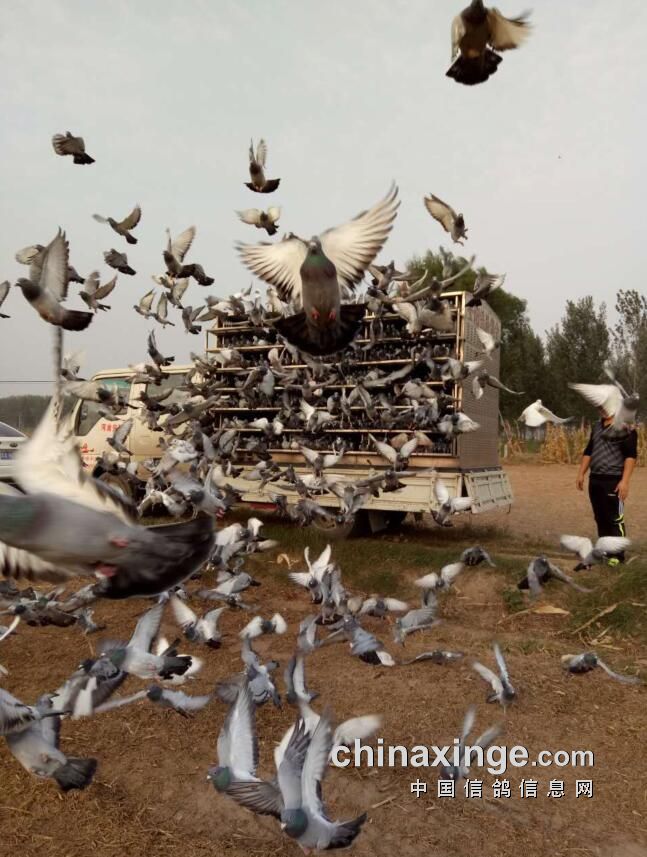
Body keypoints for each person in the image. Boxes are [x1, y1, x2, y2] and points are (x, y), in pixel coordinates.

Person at [576, 407, 638, 566]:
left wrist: (625, 481)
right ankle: (605, 552)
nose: (603, 409)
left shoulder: (625, 428)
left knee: (615, 519)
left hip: (614, 481)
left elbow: (630, 456)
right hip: (595, 479)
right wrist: (581, 473)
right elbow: (589, 450)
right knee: (600, 517)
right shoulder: (597, 426)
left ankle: (617, 556)